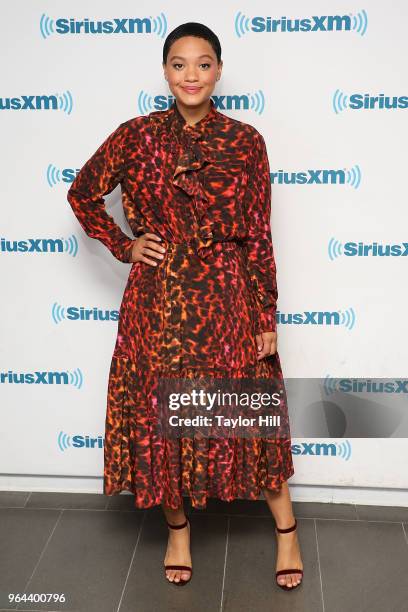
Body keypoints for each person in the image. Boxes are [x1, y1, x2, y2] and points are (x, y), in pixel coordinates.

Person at [66, 22, 303, 591]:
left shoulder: (246, 142)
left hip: (227, 296)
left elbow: (258, 234)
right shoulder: (135, 136)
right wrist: (126, 244)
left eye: (202, 63)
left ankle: (288, 532)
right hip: (159, 300)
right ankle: (177, 529)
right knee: (161, 416)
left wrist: (264, 315)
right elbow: (82, 192)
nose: (190, 74)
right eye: (179, 63)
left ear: (219, 70)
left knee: (248, 413)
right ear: (165, 71)